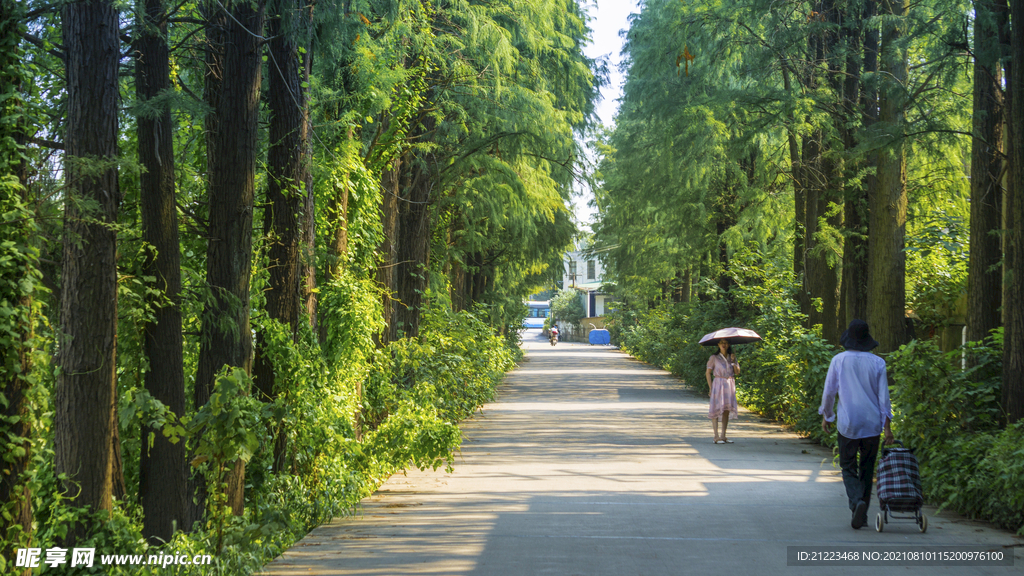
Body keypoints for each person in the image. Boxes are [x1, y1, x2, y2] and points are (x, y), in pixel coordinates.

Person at [819, 319, 894, 530]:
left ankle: (856, 503)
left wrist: (827, 415)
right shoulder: (878, 363)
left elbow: (829, 392)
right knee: (867, 469)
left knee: (848, 466)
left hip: (848, 422)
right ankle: (863, 513)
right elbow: (884, 398)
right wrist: (887, 427)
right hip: (872, 424)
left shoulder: (839, 360)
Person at [705, 339, 739, 444]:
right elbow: (708, 373)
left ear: (729, 344)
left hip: (729, 384)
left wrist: (733, 362)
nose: (723, 345)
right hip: (718, 384)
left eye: (725, 343)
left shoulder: (732, 357)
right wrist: (711, 387)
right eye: (721, 343)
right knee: (716, 408)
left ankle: (723, 435)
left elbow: (737, 372)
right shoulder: (714, 358)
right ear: (718, 345)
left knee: (726, 410)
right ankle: (716, 436)